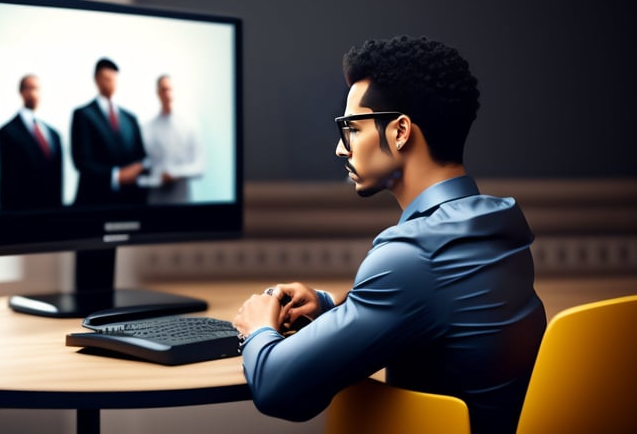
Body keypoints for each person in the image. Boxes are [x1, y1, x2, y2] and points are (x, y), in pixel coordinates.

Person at [233, 36, 547, 434]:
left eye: (351, 128)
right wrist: (330, 308)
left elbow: (278, 389)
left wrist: (259, 327)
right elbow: (429, 319)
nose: (340, 149)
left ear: (399, 132)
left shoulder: (413, 254)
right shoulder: (497, 227)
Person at [70, 58, 147, 206]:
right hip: (95, 200)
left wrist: (138, 168)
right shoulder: (83, 114)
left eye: (113, 78)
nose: (110, 82)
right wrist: (116, 176)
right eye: (105, 78)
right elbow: (81, 161)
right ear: (96, 80)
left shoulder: (130, 118)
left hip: (129, 201)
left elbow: (141, 155)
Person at [0, 74, 63, 209]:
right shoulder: (7, 132)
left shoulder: (53, 134)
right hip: (23, 210)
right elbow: (7, 181)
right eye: (31, 88)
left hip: (52, 210)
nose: (35, 93)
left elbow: (58, 178)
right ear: (21, 92)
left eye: (38, 89)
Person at [139, 75, 204, 204]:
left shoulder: (189, 125)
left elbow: (200, 167)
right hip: (155, 200)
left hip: (181, 199)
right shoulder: (147, 128)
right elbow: (141, 170)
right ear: (158, 93)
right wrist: (158, 177)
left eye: (170, 89)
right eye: (163, 90)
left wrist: (174, 173)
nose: (167, 94)